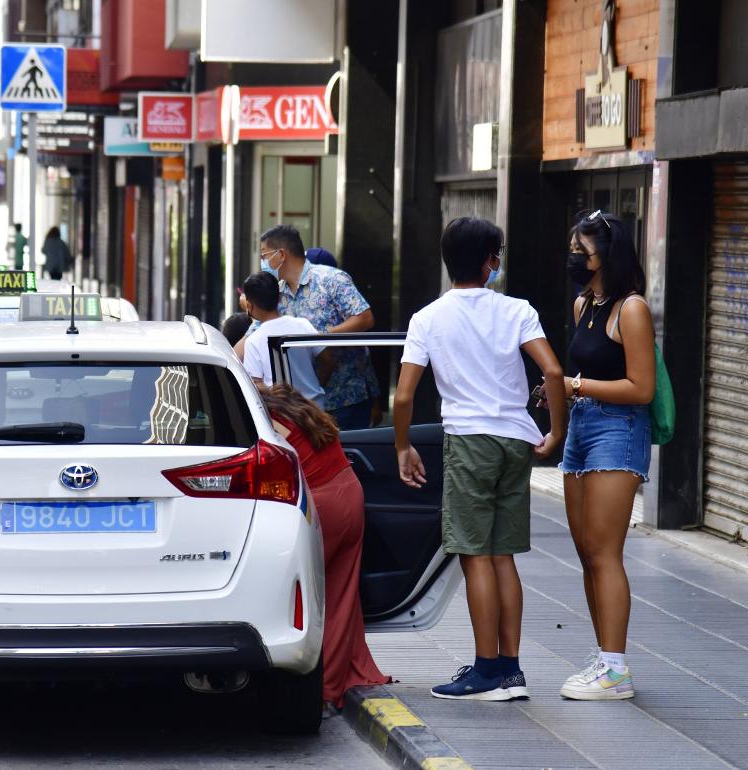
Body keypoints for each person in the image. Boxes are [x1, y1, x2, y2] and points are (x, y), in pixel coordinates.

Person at [394, 216, 566, 701]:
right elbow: (552, 370)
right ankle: (509, 668)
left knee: (475, 557)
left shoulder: (428, 318)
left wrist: (403, 446)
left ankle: (487, 670)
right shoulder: (517, 310)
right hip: (516, 441)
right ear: (491, 261)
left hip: (469, 441)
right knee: (503, 554)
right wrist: (556, 432)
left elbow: (404, 396)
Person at [557, 209, 654, 701]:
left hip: (618, 429)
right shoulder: (584, 305)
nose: (575, 257)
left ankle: (616, 670)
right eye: (573, 248)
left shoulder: (631, 309)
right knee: (584, 552)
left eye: (583, 251)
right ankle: (604, 656)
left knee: (603, 551)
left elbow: (641, 388)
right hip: (582, 426)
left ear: (606, 256)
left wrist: (575, 384)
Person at [257, 383, 389, 712]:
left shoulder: (268, 421)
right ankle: (336, 681)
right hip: (349, 492)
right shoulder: (298, 409)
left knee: (307, 600)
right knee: (341, 595)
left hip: (321, 505)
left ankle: (319, 686)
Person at [239, 224, 378, 430]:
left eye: (265, 255)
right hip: (304, 408)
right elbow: (252, 337)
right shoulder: (277, 293)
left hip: (346, 395)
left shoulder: (331, 280)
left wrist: (320, 337)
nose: (263, 262)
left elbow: (364, 318)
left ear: (282, 254)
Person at [239, 272, 327, 409]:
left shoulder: (254, 340)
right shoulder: (303, 325)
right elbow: (328, 360)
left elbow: (256, 386)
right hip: (315, 407)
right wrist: (317, 386)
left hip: (284, 415)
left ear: (249, 306)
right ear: (279, 298)